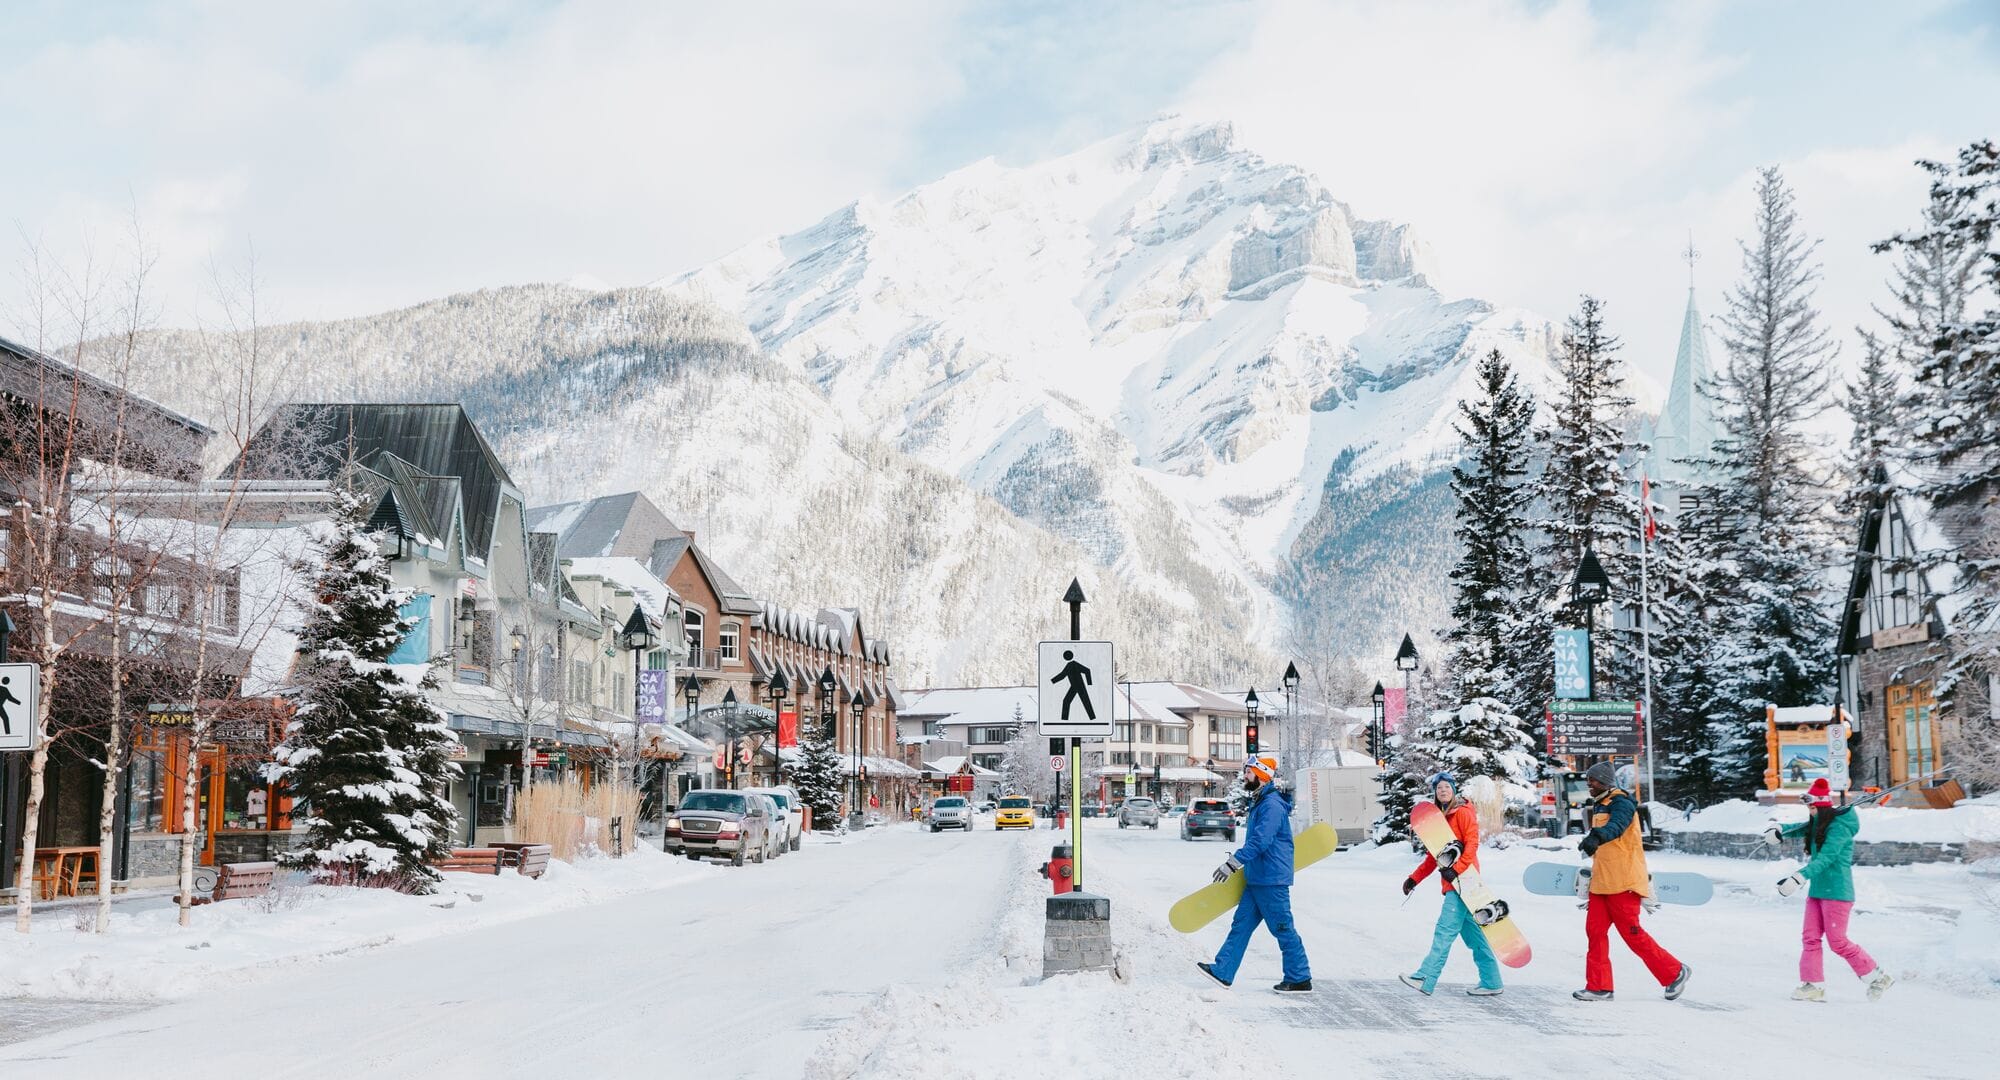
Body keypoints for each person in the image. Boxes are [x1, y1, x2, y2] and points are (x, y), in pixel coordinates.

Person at [1573, 761, 1691, 1002]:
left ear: (1604, 782)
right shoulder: (1600, 804)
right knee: (1594, 933)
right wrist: (1590, 843)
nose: (1589, 785)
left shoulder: (1622, 803)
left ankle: (1675, 972)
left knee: (1632, 935)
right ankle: (1599, 986)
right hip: (1602, 882)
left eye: (1593, 781)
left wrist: (1596, 836)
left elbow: (1616, 827)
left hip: (1624, 882)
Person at [1767, 777, 1893, 1002]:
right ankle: (1813, 985)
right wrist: (1779, 829)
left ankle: (1877, 977)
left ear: (1823, 807)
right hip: (1817, 891)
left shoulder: (1839, 829)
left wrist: (1799, 877)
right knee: (1810, 938)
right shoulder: (1819, 821)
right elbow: (1800, 828)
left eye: (1812, 806)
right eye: (1808, 807)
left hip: (1837, 892)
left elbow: (1826, 859)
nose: (1809, 810)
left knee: (1838, 942)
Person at [1196, 755, 1311, 993]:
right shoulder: (1261, 802)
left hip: (1271, 879)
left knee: (1282, 928)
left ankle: (1299, 977)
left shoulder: (1271, 805)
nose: (1245, 776)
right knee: (1241, 925)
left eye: (1248, 772)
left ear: (1261, 775)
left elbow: (1261, 840)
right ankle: (1223, 971)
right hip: (1257, 877)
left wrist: (1233, 863)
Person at [1399, 772, 1503, 997]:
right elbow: (1432, 857)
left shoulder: (1463, 813)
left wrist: (1455, 869)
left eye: (1447, 787)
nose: (1443, 790)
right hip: (1455, 883)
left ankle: (1425, 977)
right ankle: (1492, 981)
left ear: (1454, 790)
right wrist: (1414, 878)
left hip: (1464, 881)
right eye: (1439, 788)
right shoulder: (1439, 820)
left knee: (1444, 932)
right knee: (1474, 937)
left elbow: (1472, 844)